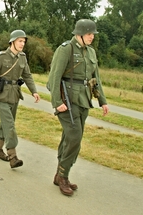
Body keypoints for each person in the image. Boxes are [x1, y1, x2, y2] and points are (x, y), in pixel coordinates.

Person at [47, 19, 109, 196]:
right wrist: (57, 102)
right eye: (89, 34)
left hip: (84, 100)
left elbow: (95, 78)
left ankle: (59, 174)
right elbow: (54, 77)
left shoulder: (91, 52)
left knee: (70, 138)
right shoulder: (66, 49)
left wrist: (102, 100)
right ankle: (63, 175)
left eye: (93, 34)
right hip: (67, 100)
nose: (92, 37)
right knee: (75, 138)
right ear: (80, 34)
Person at [0, 30, 40, 168]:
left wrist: (34, 91)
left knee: (5, 124)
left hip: (15, 95)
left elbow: (27, 75)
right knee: (9, 125)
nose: (23, 44)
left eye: (24, 41)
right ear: (12, 42)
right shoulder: (1, 57)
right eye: (20, 41)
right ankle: (12, 156)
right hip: (2, 96)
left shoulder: (22, 57)